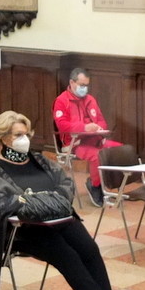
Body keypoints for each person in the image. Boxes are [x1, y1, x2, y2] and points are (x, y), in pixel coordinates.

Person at [0, 111, 138, 290]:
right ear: (4, 138)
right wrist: (33, 203)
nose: (24, 139)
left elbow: (65, 183)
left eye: (26, 134)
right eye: (18, 135)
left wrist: (46, 200)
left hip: (58, 219)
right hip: (26, 232)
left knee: (90, 249)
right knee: (67, 255)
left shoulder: (38, 161)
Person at [52, 68, 121, 207]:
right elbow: (62, 125)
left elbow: (101, 121)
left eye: (87, 85)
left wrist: (98, 127)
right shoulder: (61, 101)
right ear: (72, 82)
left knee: (119, 150)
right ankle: (95, 186)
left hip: (95, 139)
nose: (84, 88)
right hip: (74, 143)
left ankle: (109, 185)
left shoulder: (90, 100)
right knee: (98, 156)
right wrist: (84, 127)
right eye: (82, 85)